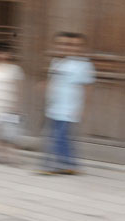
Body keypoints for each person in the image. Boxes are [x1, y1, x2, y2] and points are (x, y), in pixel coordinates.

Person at [40, 32, 95, 175]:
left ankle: (52, 165)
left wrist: (83, 108)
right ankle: (71, 164)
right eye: (63, 44)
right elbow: (52, 82)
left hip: (70, 109)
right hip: (54, 107)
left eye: (74, 45)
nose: (68, 48)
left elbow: (87, 88)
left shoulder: (84, 65)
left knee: (58, 137)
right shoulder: (56, 62)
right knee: (60, 137)